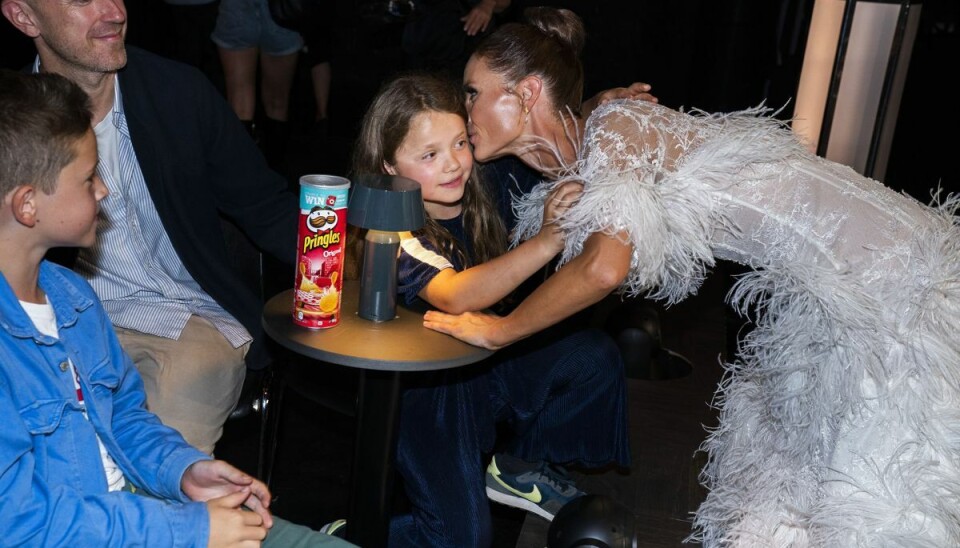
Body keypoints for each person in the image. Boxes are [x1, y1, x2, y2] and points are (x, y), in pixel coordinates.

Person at [423, 7, 960, 547]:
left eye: (473, 92)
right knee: (799, 475)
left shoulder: (614, 130)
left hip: (891, 272)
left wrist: (499, 331)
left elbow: (606, 267)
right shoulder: (592, 146)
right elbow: (582, 154)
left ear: (527, 93)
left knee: (876, 486)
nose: (463, 107)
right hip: (837, 288)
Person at [0, 69, 353, 548]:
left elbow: (123, 416)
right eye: (88, 178)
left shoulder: (71, 297)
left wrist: (183, 470)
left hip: (134, 511)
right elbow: (21, 525)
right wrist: (192, 529)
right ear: (27, 205)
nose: (103, 189)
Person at [1, 0, 299, 456]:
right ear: (24, 17)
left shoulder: (177, 93)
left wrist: (364, 259)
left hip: (190, 323)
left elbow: (265, 205)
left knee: (160, 463)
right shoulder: (15, 125)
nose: (115, 11)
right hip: (64, 325)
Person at [350, 72, 630, 547]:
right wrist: (546, 242)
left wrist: (598, 107)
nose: (453, 164)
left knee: (593, 357)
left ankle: (515, 469)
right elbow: (456, 294)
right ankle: (352, 536)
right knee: (465, 539)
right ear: (386, 165)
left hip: (482, 368)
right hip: (425, 400)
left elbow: (538, 130)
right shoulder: (388, 232)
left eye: (460, 142)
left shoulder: (479, 184)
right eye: (429, 155)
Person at [212, 0, 301, 170]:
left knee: (240, 102)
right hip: (279, 12)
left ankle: (244, 174)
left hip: (242, 9)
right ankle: (272, 175)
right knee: (277, 102)